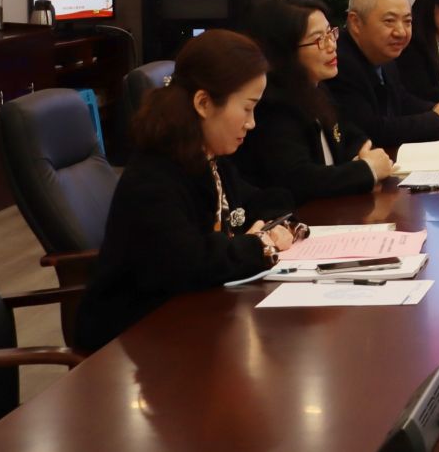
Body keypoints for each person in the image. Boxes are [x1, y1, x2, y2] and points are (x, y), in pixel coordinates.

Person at [74, 31, 296, 349]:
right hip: (133, 343)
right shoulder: (154, 177)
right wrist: (258, 246)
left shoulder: (207, 156)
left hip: (191, 323)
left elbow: (257, 200)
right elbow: (188, 264)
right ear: (203, 103)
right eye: (247, 108)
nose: (252, 123)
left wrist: (278, 223)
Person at [236, 0, 396, 201]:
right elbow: (298, 179)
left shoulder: (317, 88)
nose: (331, 46)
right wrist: (367, 170)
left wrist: (361, 151)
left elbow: (349, 132)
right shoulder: (273, 108)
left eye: (330, 33)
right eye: (318, 39)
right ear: (285, 51)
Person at [324, 0, 439, 153]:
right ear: (356, 23)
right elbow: (372, 130)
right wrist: (438, 120)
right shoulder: (339, 63)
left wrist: (437, 108)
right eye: (389, 21)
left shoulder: (384, 53)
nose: (401, 32)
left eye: (407, 21)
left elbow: (400, 99)